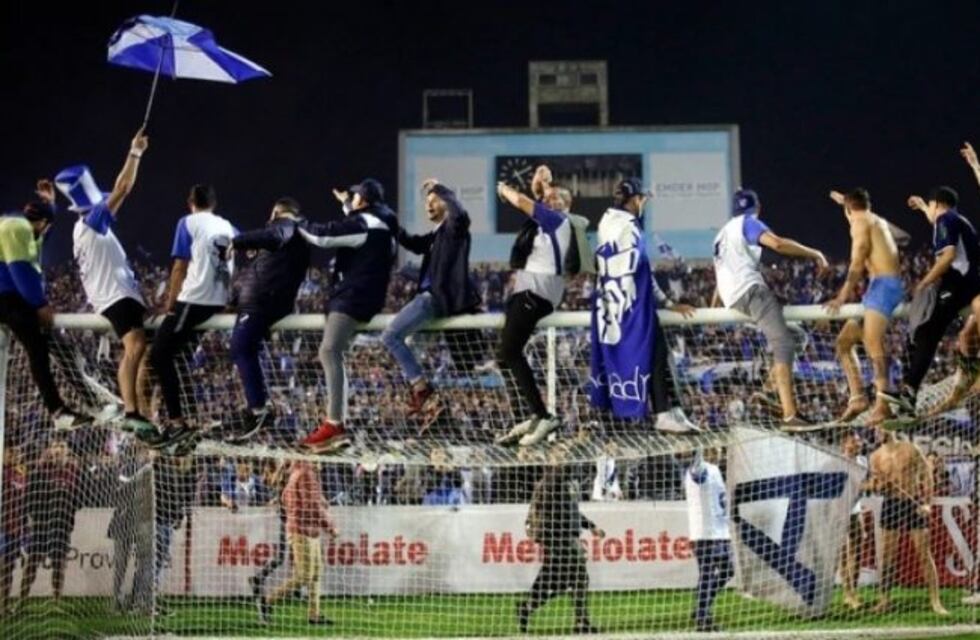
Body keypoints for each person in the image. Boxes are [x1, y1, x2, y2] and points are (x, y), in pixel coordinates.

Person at [54, 128, 154, 434]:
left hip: (117, 294)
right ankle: (132, 411)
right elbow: (123, 187)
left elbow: (122, 191)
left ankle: (140, 411)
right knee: (135, 346)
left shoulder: (87, 222)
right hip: (115, 296)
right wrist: (135, 152)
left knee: (143, 351)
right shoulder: (91, 222)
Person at [711, 188, 828, 429]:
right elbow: (778, 244)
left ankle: (769, 389)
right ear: (758, 207)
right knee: (784, 343)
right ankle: (789, 414)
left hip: (732, 297)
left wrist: (713, 310)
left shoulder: (721, 234)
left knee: (798, 336)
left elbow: (719, 275)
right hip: (751, 292)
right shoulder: (748, 223)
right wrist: (815, 253)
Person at [296, 180, 399, 452]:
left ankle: (334, 424)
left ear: (363, 200)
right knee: (333, 352)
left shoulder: (366, 223)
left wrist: (296, 220)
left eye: (355, 197)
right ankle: (336, 424)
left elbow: (323, 236)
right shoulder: (382, 223)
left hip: (354, 296)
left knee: (329, 351)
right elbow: (359, 229)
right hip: (367, 295)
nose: (352, 199)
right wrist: (346, 205)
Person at [589, 177, 698, 432]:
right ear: (635, 200)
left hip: (608, 308)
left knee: (649, 357)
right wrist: (655, 305)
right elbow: (639, 272)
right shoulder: (630, 227)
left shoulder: (606, 222)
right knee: (656, 355)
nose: (644, 204)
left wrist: (667, 303)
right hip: (630, 309)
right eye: (643, 199)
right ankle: (663, 412)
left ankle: (671, 410)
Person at [495, 165, 587, 446]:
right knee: (504, 356)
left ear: (567, 206)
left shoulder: (559, 220)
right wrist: (541, 184)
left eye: (559, 198)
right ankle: (532, 414)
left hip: (534, 294)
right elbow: (536, 200)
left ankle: (541, 414)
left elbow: (524, 202)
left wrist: (502, 188)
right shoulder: (547, 223)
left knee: (509, 352)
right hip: (531, 292)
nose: (552, 199)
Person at [381, 179, 481, 431]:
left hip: (432, 300)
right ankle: (433, 399)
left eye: (433, 199)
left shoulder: (454, 228)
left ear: (446, 203)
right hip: (430, 300)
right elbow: (412, 242)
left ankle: (421, 388)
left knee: (391, 336)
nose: (429, 204)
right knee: (412, 346)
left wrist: (442, 188)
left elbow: (461, 214)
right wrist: (388, 219)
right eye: (427, 201)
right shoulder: (436, 236)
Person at [143, 184, 236, 451]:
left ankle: (177, 422)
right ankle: (188, 418)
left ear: (190, 201)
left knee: (159, 355)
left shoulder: (188, 222)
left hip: (195, 299)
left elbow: (180, 266)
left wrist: (170, 305)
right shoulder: (228, 225)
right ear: (214, 204)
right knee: (180, 356)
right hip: (217, 300)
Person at [0, 183, 92, 431]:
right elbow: (19, 270)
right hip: (6, 298)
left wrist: (50, 204)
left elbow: (43, 233)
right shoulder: (16, 229)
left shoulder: (22, 225)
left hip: (9, 296)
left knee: (49, 346)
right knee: (38, 349)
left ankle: (83, 401)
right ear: (41, 223)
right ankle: (58, 411)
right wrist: (40, 305)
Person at [886, 187, 980, 416]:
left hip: (958, 285)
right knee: (926, 332)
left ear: (937, 204)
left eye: (932, 207)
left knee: (926, 332)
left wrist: (925, 281)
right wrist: (922, 207)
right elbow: (936, 220)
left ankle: (909, 394)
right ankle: (909, 391)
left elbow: (947, 257)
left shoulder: (945, 220)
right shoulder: (959, 219)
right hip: (969, 284)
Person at [224, 197, 311, 442]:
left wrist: (237, 241)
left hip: (263, 302)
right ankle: (258, 407)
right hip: (265, 300)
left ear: (277, 212)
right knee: (245, 349)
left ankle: (259, 409)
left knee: (240, 347)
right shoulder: (296, 235)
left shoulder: (286, 225)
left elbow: (273, 237)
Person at [825, 188, 904, 424]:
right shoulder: (872, 219)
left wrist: (841, 297)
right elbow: (901, 237)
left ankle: (884, 401)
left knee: (872, 342)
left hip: (884, 286)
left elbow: (857, 261)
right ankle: (858, 397)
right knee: (844, 342)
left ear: (849, 210)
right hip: (879, 286)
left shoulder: (859, 224)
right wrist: (844, 203)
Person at [518, 445, 604, 634]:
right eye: (561, 454)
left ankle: (528, 607)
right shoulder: (550, 481)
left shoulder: (570, 482)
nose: (566, 457)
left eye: (567, 453)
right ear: (551, 459)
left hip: (569, 535)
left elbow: (573, 512)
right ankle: (578, 622)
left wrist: (591, 526)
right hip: (556, 537)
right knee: (572, 578)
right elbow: (540, 511)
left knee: (566, 580)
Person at [865, 430, 947, 615]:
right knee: (887, 556)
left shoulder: (910, 449)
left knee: (923, 553)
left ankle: (935, 600)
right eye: (876, 428)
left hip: (913, 502)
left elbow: (927, 475)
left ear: (891, 427)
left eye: (881, 427)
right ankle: (884, 600)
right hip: (891, 503)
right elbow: (874, 484)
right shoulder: (875, 456)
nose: (878, 432)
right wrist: (878, 486)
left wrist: (927, 502)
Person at [260, 460, 337, 626]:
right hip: (301, 529)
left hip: (308, 528)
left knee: (316, 573)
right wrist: (330, 527)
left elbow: (286, 497)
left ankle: (314, 615)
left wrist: (318, 502)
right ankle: (267, 600)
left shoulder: (297, 473)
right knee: (304, 576)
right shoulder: (305, 474)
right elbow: (313, 507)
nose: (321, 462)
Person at [19, 440, 80, 601]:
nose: (58, 450)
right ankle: (22, 598)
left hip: (61, 524)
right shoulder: (40, 469)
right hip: (41, 523)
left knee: (59, 563)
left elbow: (79, 497)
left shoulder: (73, 470)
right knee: (32, 561)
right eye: (55, 446)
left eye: (61, 447)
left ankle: (56, 599)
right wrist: (30, 516)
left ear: (66, 451)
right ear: (50, 450)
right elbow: (29, 495)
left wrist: (69, 515)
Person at [684, 448, 733, 632]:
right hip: (704, 533)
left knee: (728, 570)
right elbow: (697, 469)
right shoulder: (699, 470)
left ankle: (701, 606)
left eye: (720, 449)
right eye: (715, 449)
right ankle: (703, 618)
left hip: (720, 532)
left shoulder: (715, 469)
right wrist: (697, 444)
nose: (719, 451)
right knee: (707, 573)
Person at [249, 461, 288, 604]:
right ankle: (259, 580)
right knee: (281, 558)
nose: (265, 477)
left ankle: (259, 578)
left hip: (289, 519)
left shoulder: (283, 476)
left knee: (282, 557)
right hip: (288, 520)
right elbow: (274, 484)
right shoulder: (281, 478)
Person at [838, 431, 869, 610]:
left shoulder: (863, 461)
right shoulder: (836, 460)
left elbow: (866, 482)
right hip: (839, 509)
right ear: (844, 444)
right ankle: (848, 593)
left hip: (856, 508)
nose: (858, 444)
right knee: (843, 552)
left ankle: (853, 591)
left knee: (857, 550)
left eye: (858, 441)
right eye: (853, 441)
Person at [0, 447, 26, 616]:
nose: (15, 455)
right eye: (10, 452)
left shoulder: (20, 474)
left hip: (14, 528)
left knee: (9, 570)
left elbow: (23, 502)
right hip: (1, 528)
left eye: (17, 453)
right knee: (1, 568)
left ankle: (4, 605)